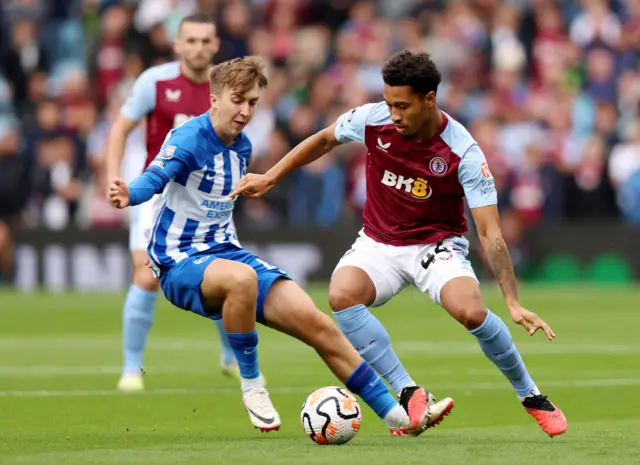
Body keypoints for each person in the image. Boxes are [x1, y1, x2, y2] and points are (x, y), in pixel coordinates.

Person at [230, 50, 568, 437]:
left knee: (471, 312)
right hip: (378, 242)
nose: (393, 114)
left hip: (436, 246)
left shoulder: (464, 152)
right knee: (341, 295)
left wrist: (511, 301)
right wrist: (271, 177)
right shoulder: (372, 119)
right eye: (390, 103)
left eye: (402, 106)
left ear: (429, 99)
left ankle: (531, 395)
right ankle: (408, 390)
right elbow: (324, 139)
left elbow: (490, 233)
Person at [107, 55, 451, 435]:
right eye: (237, 100)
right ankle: (253, 385)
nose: (245, 110)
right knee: (241, 280)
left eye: (252, 102)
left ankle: (396, 416)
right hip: (178, 261)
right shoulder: (188, 138)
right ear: (215, 99)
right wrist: (129, 193)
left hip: (224, 252)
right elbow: (155, 177)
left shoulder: (242, 146)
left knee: (318, 324)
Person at [105, 13, 238, 391]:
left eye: (205, 41)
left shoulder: (226, 86)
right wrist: (111, 177)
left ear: (216, 46)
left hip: (210, 197)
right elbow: (120, 128)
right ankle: (132, 369)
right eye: (190, 41)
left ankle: (231, 356)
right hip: (159, 194)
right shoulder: (155, 81)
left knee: (227, 277)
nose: (197, 48)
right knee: (146, 273)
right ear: (177, 45)